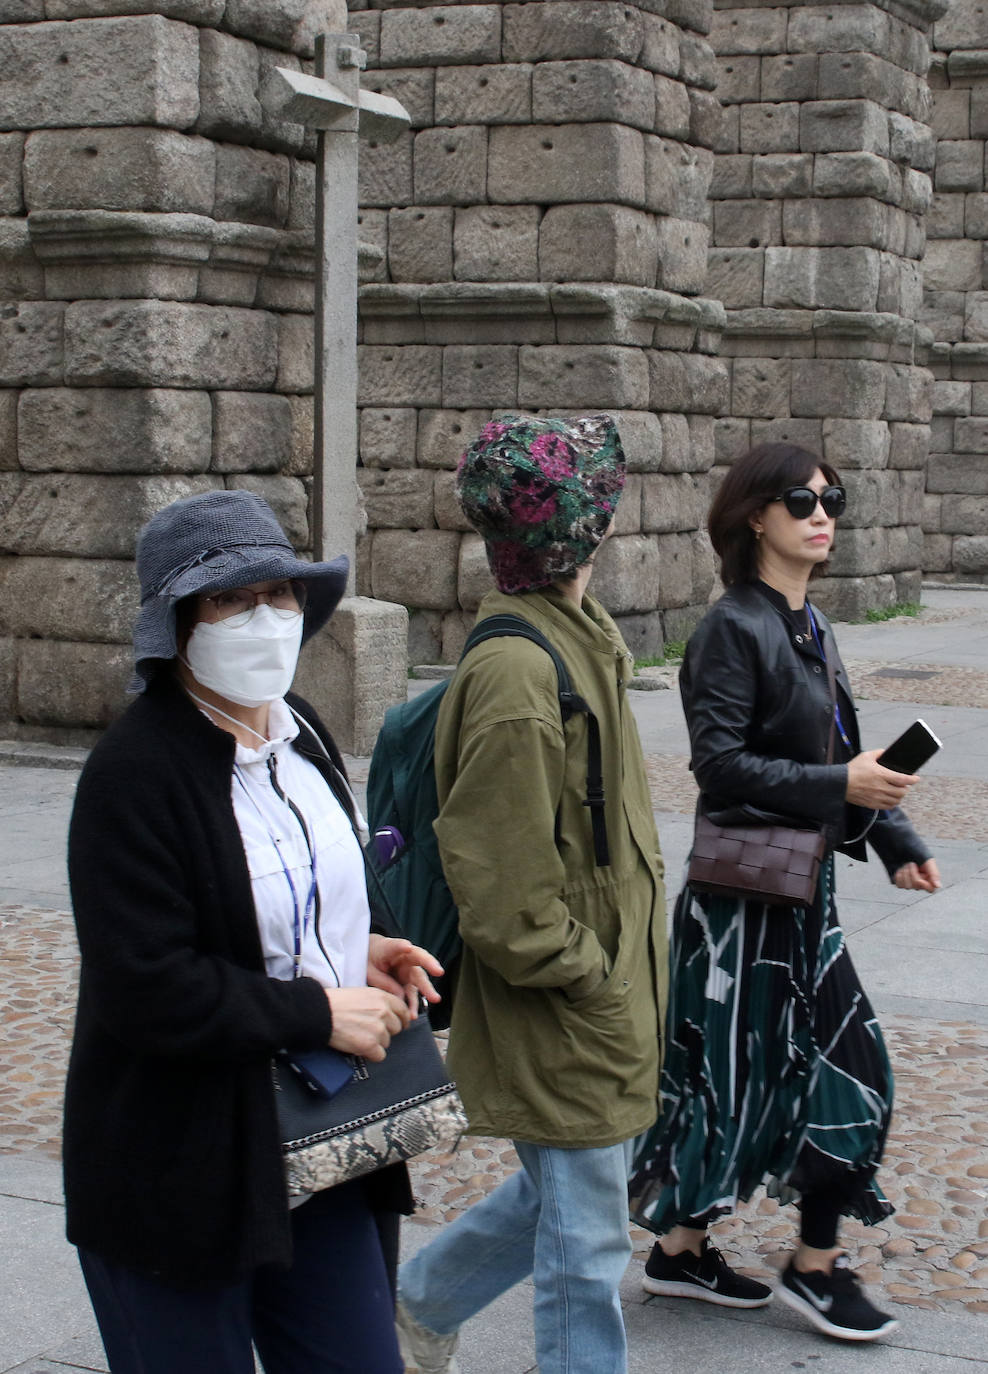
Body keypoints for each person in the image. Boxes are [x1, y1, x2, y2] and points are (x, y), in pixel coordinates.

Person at [63, 489, 443, 1374]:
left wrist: (371, 943)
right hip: (179, 1164)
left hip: (326, 1134)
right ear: (179, 623)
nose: (265, 617)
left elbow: (327, 872)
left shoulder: (300, 726)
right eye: (232, 599)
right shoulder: (134, 771)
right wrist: (316, 1011)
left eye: (279, 594)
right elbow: (143, 985)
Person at [629, 442, 941, 1343]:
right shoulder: (734, 625)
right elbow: (722, 769)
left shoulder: (812, 623)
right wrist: (842, 787)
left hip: (802, 902)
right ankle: (813, 1266)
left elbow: (843, 753)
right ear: (753, 516)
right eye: (801, 498)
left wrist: (897, 838)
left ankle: (682, 1251)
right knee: (830, 1075)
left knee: (758, 1080)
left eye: (832, 498)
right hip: (742, 912)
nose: (822, 513)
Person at [394, 414, 667, 1374]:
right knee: (586, 1248)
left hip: (603, 997)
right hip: (566, 1004)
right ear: (585, 529)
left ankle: (418, 1305)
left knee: (564, 1198)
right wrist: (591, 977)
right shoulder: (518, 670)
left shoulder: (579, 634)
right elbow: (507, 894)